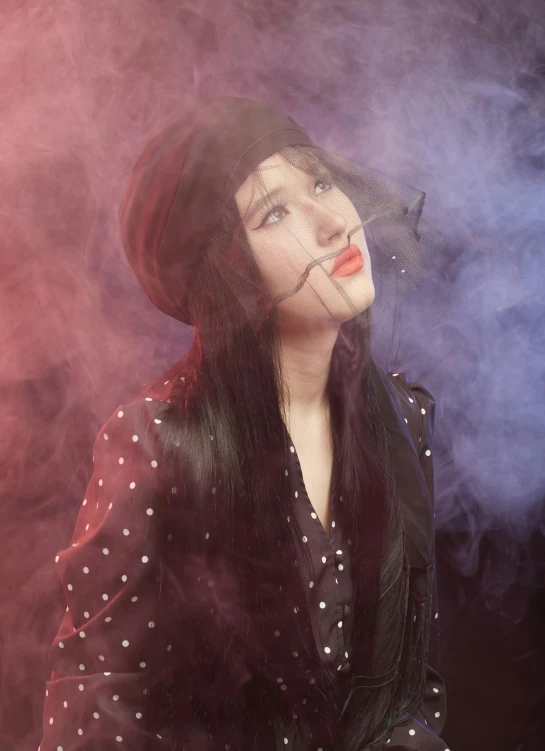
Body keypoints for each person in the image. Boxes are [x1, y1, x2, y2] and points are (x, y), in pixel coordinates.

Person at [39, 96, 449, 750]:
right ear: (229, 275)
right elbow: (96, 716)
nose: (331, 221)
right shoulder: (157, 444)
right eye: (275, 212)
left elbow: (408, 691)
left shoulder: (403, 416)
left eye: (320, 180)